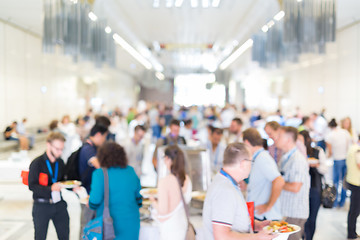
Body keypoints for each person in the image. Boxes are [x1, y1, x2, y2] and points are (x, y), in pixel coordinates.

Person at [202, 142, 276, 240]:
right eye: (251, 162)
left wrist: (256, 225)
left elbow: (232, 218)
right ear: (243, 164)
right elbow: (221, 236)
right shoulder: (225, 190)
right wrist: (257, 237)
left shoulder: (228, 183)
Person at [89, 142, 142, 240]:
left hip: (109, 226)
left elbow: (94, 202)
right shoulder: (131, 171)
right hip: (132, 223)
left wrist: (89, 202)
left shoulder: (99, 174)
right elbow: (139, 199)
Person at [28, 132, 69, 240]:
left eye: (62, 149)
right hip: (42, 206)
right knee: (40, 237)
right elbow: (32, 186)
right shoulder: (37, 163)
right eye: (57, 149)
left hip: (59, 204)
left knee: (64, 236)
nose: (60, 152)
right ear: (48, 145)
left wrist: (72, 186)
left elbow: (63, 180)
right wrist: (50, 188)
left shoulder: (60, 162)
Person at [150, 145, 192, 240]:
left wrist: (153, 201)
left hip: (170, 231)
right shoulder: (187, 179)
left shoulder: (164, 182)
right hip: (183, 226)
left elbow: (163, 211)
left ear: (167, 159)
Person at [243, 128, 285, 221]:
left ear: (246, 142)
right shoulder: (257, 157)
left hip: (265, 216)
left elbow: (279, 181)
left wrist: (268, 206)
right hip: (257, 214)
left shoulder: (263, 158)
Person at [276, 126, 310, 240]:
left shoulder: (297, 160)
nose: (276, 138)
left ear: (288, 140)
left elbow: (295, 187)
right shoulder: (285, 157)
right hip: (287, 211)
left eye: (280, 136)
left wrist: (277, 182)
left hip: (295, 213)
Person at [78, 124, 108, 235]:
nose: (104, 140)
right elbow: (99, 166)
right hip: (87, 194)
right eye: (104, 137)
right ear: (99, 135)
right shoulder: (88, 148)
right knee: (86, 224)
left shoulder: (92, 147)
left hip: (92, 194)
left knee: (92, 224)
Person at [298, 130, 327, 240]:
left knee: (312, 219)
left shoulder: (317, 151)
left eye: (301, 140)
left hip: (315, 189)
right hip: (300, 190)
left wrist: (317, 165)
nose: (299, 143)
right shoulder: (296, 154)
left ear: (307, 140)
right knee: (302, 218)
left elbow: (325, 169)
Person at [325, 118, 352, 208]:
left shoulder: (330, 135)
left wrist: (325, 157)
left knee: (336, 182)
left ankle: (335, 202)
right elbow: (349, 145)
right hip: (346, 159)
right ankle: (342, 202)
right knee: (344, 182)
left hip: (337, 159)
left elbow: (330, 152)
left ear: (329, 127)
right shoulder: (345, 132)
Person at [345, 135, 360, 240]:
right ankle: (351, 234)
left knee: (353, 210)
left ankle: (352, 232)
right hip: (357, 183)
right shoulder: (358, 150)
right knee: (355, 210)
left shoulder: (352, 147)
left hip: (352, 181)